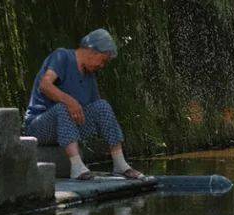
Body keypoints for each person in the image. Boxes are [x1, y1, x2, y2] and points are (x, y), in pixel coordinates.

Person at [24, 29, 148, 181]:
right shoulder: (62, 56)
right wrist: (70, 101)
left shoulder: (90, 75)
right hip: (39, 127)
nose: (103, 65)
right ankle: (77, 167)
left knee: (102, 106)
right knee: (64, 107)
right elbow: (45, 85)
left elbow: (94, 111)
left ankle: (120, 164)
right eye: (103, 60)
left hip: (66, 129)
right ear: (91, 51)